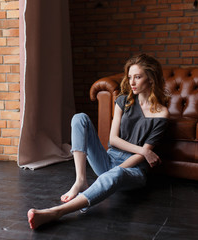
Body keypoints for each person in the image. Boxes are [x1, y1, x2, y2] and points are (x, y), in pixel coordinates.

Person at [27, 53, 170, 230]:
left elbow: (141, 158)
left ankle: (56, 212)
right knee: (80, 118)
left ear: (151, 79)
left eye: (138, 77)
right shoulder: (123, 101)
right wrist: (144, 151)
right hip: (109, 159)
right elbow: (113, 140)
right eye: (130, 77)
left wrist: (130, 162)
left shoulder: (161, 113)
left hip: (133, 170)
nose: (132, 82)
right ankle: (80, 180)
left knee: (116, 174)